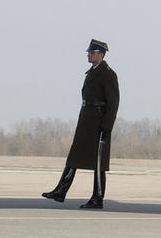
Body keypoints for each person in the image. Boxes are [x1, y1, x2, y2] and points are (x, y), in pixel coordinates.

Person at [42, 39, 120, 209]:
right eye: (89, 52)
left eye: (92, 52)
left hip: (99, 122)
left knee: (98, 163)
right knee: (74, 156)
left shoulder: (108, 74)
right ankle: (61, 190)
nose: (88, 54)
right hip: (87, 120)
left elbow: (113, 102)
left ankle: (97, 198)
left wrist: (107, 126)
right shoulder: (92, 72)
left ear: (101, 54)